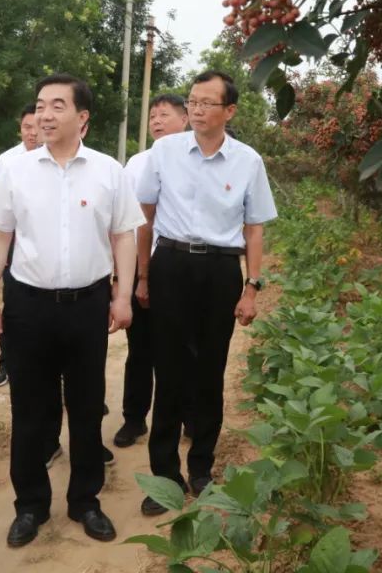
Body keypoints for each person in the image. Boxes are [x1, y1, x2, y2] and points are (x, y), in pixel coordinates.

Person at [0, 73, 143, 548]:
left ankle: (85, 501)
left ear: (82, 116)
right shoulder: (16, 170)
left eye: (57, 106)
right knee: (31, 410)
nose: (44, 115)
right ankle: (30, 505)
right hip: (28, 306)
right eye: (40, 105)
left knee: (87, 406)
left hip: (88, 304)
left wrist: (122, 295)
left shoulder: (109, 171)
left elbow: (124, 236)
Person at [135, 71, 277, 516]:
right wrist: (142, 277)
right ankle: (164, 477)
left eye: (206, 103)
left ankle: (200, 469)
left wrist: (251, 287)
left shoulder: (248, 161)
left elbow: (254, 229)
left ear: (229, 111)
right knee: (168, 371)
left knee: (210, 371)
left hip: (220, 270)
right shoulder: (164, 152)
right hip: (171, 264)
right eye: (192, 101)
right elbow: (145, 218)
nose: (196, 110)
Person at [114, 94, 190, 449]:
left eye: (165, 115)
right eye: (153, 116)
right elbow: (125, 220)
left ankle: (185, 416)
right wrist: (125, 275)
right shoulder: (137, 163)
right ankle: (134, 418)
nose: (156, 121)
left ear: (185, 119)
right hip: (140, 262)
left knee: (182, 348)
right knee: (140, 348)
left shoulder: (195, 160)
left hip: (179, 265)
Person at [0, 102, 39, 389]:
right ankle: (6, 362)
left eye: (37, 127)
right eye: (26, 127)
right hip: (13, 244)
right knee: (12, 305)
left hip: (44, 247)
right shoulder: (8, 161)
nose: (32, 133)